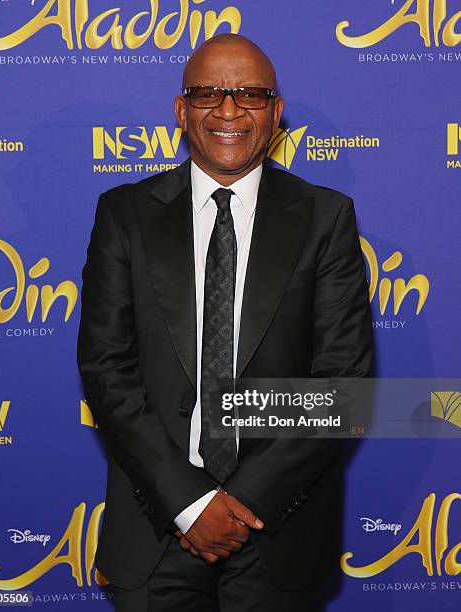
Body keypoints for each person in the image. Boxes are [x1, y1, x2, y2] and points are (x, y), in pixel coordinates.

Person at [77, 33, 374, 612]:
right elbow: (107, 368)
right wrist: (191, 503)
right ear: (181, 111)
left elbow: (343, 382)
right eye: (209, 93)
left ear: (277, 112)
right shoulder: (125, 214)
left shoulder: (325, 217)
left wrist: (238, 503)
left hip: (278, 533)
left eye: (251, 94)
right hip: (156, 527)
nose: (230, 110)